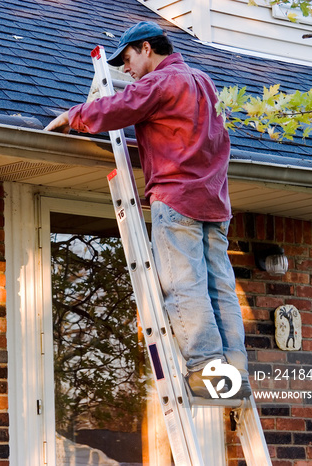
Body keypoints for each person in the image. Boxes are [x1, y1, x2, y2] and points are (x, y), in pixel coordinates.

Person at [44, 21, 250, 398]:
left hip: (178, 200)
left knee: (184, 286)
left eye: (126, 58)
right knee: (220, 288)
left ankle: (206, 372)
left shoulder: (162, 82)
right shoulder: (203, 81)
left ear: (146, 49)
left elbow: (121, 106)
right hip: (214, 203)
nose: (124, 70)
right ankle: (234, 373)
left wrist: (73, 115)